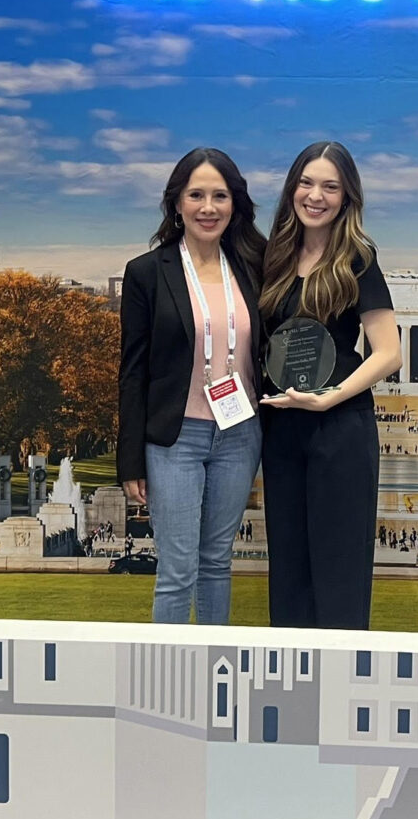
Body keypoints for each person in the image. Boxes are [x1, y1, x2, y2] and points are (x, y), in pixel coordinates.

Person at [117, 147, 266, 624]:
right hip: (174, 438)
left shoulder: (253, 266)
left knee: (216, 565)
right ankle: (168, 682)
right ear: (176, 203)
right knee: (178, 570)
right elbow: (133, 370)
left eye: (219, 196)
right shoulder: (147, 272)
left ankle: (213, 681)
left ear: (235, 204)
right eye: (196, 195)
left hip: (239, 434)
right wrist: (130, 459)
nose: (208, 207)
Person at [260, 141, 401, 630]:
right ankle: (289, 692)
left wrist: (330, 398)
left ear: (346, 198)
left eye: (329, 186)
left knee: (339, 573)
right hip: (282, 432)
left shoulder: (357, 259)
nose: (315, 195)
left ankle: (342, 693)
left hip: (340, 427)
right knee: (289, 573)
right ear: (291, 189)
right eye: (306, 182)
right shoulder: (273, 257)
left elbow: (388, 351)